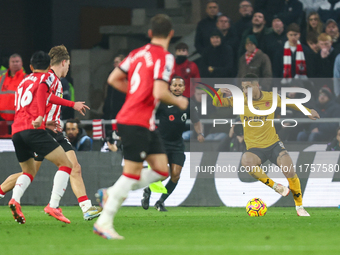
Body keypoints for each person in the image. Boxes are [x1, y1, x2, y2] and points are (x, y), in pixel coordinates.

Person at [93, 14, 188, 240]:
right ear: (171, 34)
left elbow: (114, 78)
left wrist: (135, 94)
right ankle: (104, 221)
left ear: (149, 34)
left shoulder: (137, 53)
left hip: (143, 121)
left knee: (161, 169)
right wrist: (179, 101)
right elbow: (159, 92)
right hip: (136, 120)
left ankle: (111, 193)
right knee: (132, 173)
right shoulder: (165, 57)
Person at [0, 45, 102, 222]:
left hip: (40, 129)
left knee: (34, 171)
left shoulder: (37, 78)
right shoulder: (49, 78)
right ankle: (60, 206)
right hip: (47, 130)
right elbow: (42, 97)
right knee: (66, 166)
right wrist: (46, 118)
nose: (68, 69)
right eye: (68, 65)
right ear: (63, 62)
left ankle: (85, 208)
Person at [213, 73, 320, 216]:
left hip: (273, 144)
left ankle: (299, 207)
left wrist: (307, 111)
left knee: (290, 171)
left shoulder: (271, 97)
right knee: (246, 161)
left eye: (248, 87)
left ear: (257, 86)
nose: (245, 91)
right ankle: (276, 187)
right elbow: (216, 102)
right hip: (255, 148)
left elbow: (290, 102)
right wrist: (220, 91)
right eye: (243, 88)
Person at [141, 76, 204, 212]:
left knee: (176, 174)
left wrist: (200, 133)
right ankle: (148, 190)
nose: (177, 88)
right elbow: (148, 114)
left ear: (184, 88)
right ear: (170, 87)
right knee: (162, 173)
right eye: (174, 85)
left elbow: (197, 121)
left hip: (177, 144)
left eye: (180, 85)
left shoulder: (188, 103)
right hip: (161, 144)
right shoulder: (163, 102)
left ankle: (160, 202)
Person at [0, 54, 26, 121]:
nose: (15, 63)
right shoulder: (2, 79)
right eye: (13, 62)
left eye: (17, 61)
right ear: (9, 64)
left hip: (19, 120)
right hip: (2, 120)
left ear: (21, 63)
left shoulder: (26, 79)